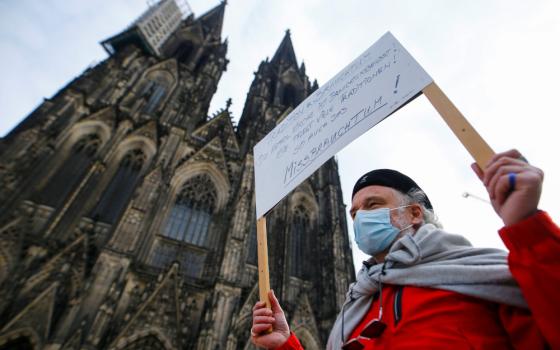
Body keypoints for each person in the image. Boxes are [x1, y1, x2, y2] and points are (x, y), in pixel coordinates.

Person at [251, 149, 560, 349]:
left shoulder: (480, 277)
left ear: (414, 213)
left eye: (373, 205)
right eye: (355, 213)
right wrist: (285, 345)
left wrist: (529, 228)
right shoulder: (355, 308)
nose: (361, 218)